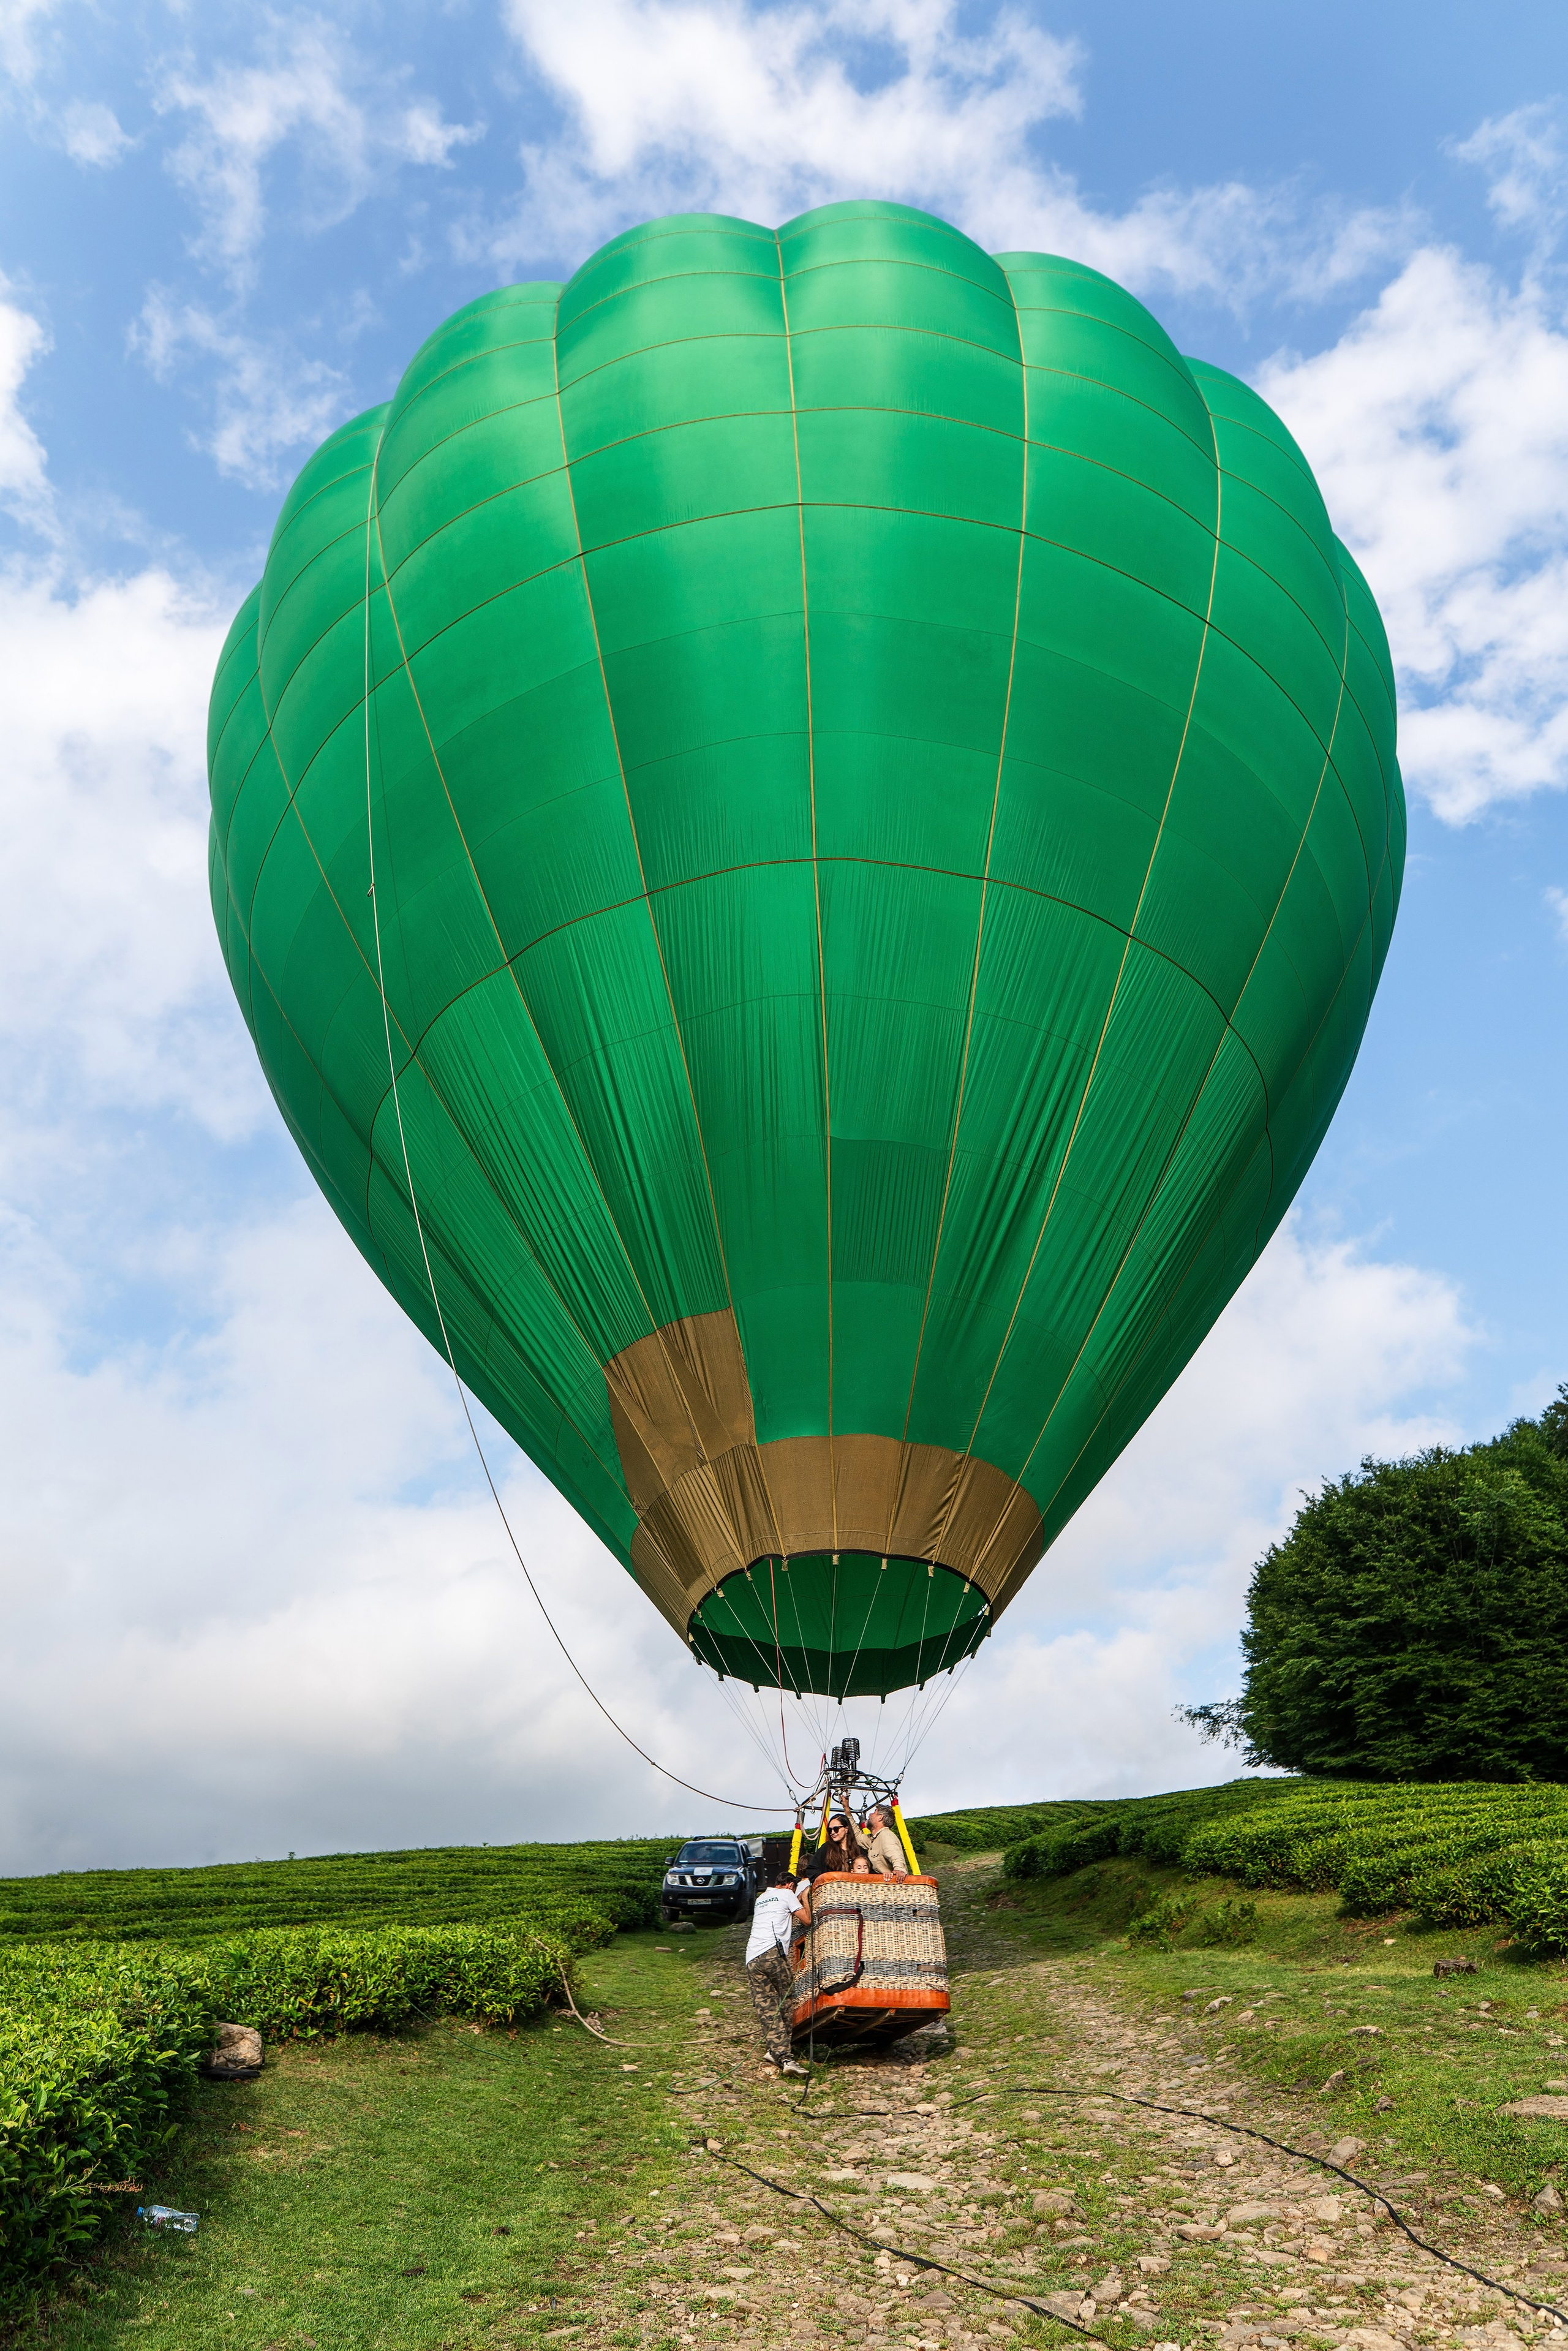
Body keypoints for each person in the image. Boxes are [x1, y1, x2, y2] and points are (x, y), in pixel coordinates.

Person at [745, 1863, 809, 2075]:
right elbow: (807, 1920)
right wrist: (804, 1898)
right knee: (785, 2001)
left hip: (751, 1958)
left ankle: (775, 2051)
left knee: (767, 2008)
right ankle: (786, 2058)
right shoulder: (788, 1895)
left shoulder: (761, 1898)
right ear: (790, 1885)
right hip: (773, 1954)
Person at [862, 1805, 910, 1879]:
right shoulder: (874, 1839)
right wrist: (848, 1812)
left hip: (889, 1883)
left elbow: (895, 1854)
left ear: (880, 1817)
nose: (870, 1814)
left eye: (874, 1813)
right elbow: (857, 1836)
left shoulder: (886, 1835)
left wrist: (899, 1869)